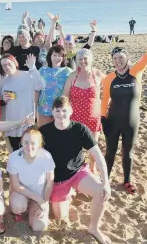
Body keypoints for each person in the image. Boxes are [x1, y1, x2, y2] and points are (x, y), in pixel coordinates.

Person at [101, 14, 147, 194]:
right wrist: (102, 118)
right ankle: (105, 181)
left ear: (127, 58)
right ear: (112, 61)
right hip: (113, 122)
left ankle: (127, 180)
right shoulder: (109, 79)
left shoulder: (136, 72)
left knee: (128, 153)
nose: (118, 61)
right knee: (110, 152)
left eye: (121, 58)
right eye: (115, 59)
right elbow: (105, 99)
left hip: (132, 121)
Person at [40, 96, 111, 244]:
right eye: (57, 111)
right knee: (60, 216)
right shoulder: (44, 131)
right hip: (57, 179)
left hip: (78, 172)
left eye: (64, 111)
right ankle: (70, 192)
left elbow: (98, 155)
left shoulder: (79, 129)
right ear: (52, 112)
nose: (61, 115)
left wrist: (106, 182)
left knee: (101, 192)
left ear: (71, 111)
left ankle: (94, 228)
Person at [63, 48, 105, 172]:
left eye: (85, 58)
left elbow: (111, 86)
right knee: (74, 146)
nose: (82, 61)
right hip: (75, 117)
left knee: (93, 146)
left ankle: (92, 168)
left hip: (93, 117)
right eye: (80, 59)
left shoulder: (97, 74)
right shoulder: (72, 75)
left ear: (90, 59)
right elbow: (65, 96)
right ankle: (76, 169)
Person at [7, 127, 55, 231]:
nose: (29, 146)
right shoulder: (14, 157)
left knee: (38, 227)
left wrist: (44, 202)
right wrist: (40, 201)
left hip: (39, 194)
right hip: (21, 192)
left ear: (39, 144)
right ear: (21, 142)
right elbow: (16, 185)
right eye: (26, 142)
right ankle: (21, 212)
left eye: (33, 143)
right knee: (17, 206)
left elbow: (50, 183)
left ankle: (32, 208)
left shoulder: (46, 156)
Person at [0, 54, 45, 151]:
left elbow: (41, 85)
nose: (6, 67)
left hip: (27, 121)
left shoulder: (28, 75)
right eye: (3, 65)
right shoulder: (2, 83)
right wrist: (3, 101)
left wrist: (33, 68)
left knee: (29, 149)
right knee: (15, 150)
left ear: (15, 63)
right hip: (11, 123)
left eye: (8, 63)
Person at [37, 45, 72, 127]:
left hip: (60, 109)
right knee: (43, 133)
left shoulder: (68, 71)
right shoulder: (42, 70)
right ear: (50, 56)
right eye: (54, 55)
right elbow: (37, 90)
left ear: (63, 58)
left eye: (59, 56)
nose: (57, 58)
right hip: (43, 108)